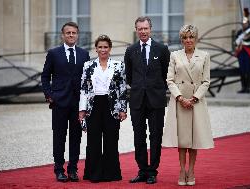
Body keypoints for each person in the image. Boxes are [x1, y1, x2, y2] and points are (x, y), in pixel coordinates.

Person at [162, 24, 214, 186]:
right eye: (185, 37)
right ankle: (181, 169)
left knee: (194, 137)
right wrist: (179, 97)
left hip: (196, 102)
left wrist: (195, 98)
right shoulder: (174, 55)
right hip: (179, 101)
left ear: (196, 38)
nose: (188, 40)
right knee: (183, 138)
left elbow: (206, 81)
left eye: (191, 37)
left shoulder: (205, 55)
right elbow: (169, 80)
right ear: (182, 40)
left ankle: (191, 170)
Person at [41, 21, 90, 182]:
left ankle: (73, 169)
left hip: (78, 103)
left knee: (76, 138)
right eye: (68, 33)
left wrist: (87, 102)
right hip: (59, 102)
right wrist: (49, 95)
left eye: (73, 33)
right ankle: (59, 169)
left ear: (77, 35)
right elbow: (45, 76)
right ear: (63, 35)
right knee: (59, 137)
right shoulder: (54, 53)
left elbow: (88, 79)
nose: (71, 35)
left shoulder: (84, 54)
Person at [124, 16, 170, 184]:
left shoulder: (162, 49)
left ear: (150, 29)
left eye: (145, 28)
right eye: (140, 29)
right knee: (139, 136)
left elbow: (167, 74)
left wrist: (156, 89)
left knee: (156, 136)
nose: (143, 31)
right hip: (137, 101)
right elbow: (129, 77)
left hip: (156, 101)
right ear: (136, 30)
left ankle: (153, 171)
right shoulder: (131, 50)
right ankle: (142, 170)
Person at [78, 34, 127, 182]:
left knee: (111, 139)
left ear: (110, 48)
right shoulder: (88, 65)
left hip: (111, 105)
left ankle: (111, 173)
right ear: (96, 49)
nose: (103, 49)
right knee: (93, 140)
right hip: (93, 106)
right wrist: (82, 109)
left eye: (105, 47)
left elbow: (122, 89)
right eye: (100, 47)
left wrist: (123, 109)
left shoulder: (119, 65)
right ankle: (94, 173)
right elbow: (84, 89)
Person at [235, 8, 250, 93]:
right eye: (243, 23)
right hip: (241, 53)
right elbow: (236, 43)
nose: (244, 25)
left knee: (248, 70)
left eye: (245, 23)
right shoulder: (239, 33)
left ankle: (248, 87)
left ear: (248, 23)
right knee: (242, 71)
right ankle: (243, 87)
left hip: (248, 54)